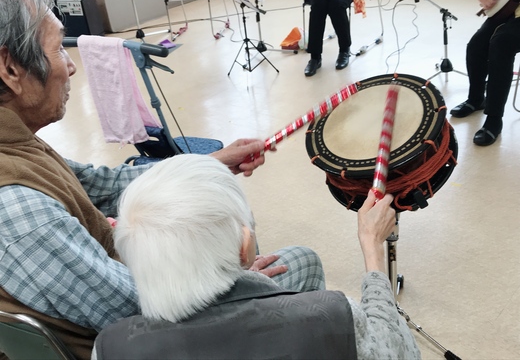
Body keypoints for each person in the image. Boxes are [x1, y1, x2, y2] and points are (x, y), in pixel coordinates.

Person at [0, 0, 324, 360]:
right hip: (143, 342)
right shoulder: (18, 212)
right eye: (59, 49)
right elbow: (135, 311)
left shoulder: (16, 143)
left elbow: (98, 184)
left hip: (125, 311)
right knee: (300, 263)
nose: (71, 67)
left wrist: (212, 164)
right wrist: (239, 284)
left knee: (225, 223)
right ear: (10, 68)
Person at [92, 154, 421, 360]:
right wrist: (372, 247)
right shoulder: (332, 316)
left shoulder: (110, 348)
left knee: (301, 260)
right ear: (245, 247)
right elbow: (402, 352)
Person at [450, 0, 520, 146]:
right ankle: (476, 99)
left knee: (501, 44)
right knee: (476, 46)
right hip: (509, 7)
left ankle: (494, 118)